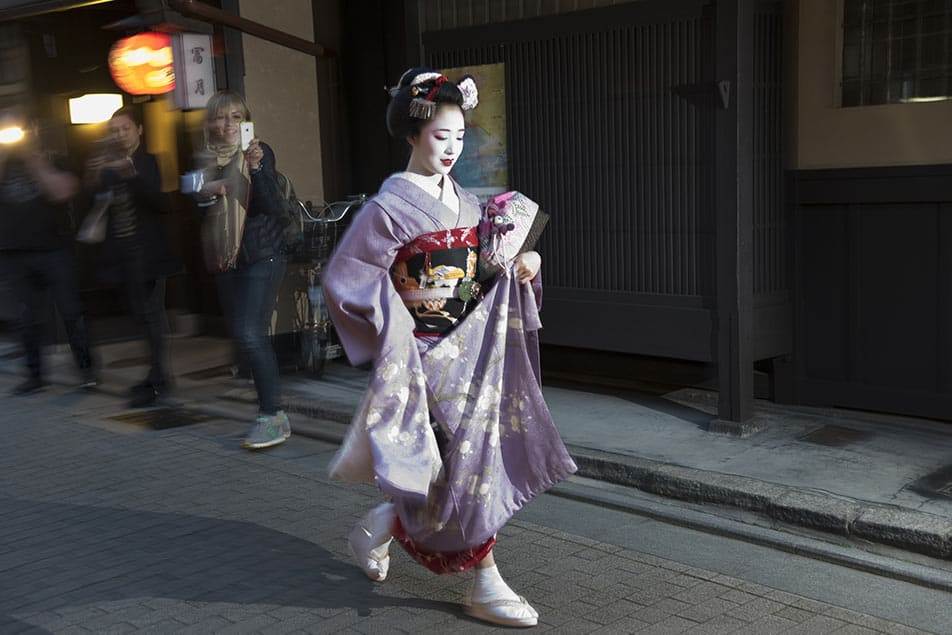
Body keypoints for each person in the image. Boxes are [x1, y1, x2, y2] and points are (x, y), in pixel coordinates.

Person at [323, 68, 577, 628]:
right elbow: (347, 278)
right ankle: (484, 582)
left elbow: (487, 268)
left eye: (460, 137)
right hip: (420, 353)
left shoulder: (465, 201)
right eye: (440, 136)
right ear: (412, 135)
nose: (452, 149)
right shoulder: (385, 211)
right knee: (467, 463)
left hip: (471, 346)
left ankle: (383, 523)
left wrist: (524, 266)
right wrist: (394, 328)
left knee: (465, 463)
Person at [192, 90, 291, 450]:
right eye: (220, 117)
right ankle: (268, 409)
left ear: (246, 121)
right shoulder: (204, 160)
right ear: (210, 123)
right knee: (242, 334)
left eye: (235, 117)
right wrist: (207, 190)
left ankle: (273, 417)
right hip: (225, 258)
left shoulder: (259, 152)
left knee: (250, 332)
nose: (227, 124)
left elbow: (272, 207)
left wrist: (257, 168)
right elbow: (194, 199)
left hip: (262, 254)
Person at [84, 106, 179, 407]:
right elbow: (97, 202)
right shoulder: (109, 166)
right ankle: (158, 376)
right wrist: (95, 173)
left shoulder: (149, 161)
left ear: (139, 130)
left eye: (124, 128)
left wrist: (131, 173)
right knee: (140, 316)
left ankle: (158, 380)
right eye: (114, 130)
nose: (119, 134)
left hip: (148, 253)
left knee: (151, 315)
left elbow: (161, 203)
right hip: (122, 253)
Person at [0, 116, 96, 394]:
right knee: (25, 316)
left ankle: (87, 370)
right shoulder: (4, 163)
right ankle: (35, 376)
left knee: (70, 311)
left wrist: (32, 157)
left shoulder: (52, 159)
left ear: (34, 130)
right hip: (15, 253)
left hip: (53, 250)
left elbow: (61, 192)